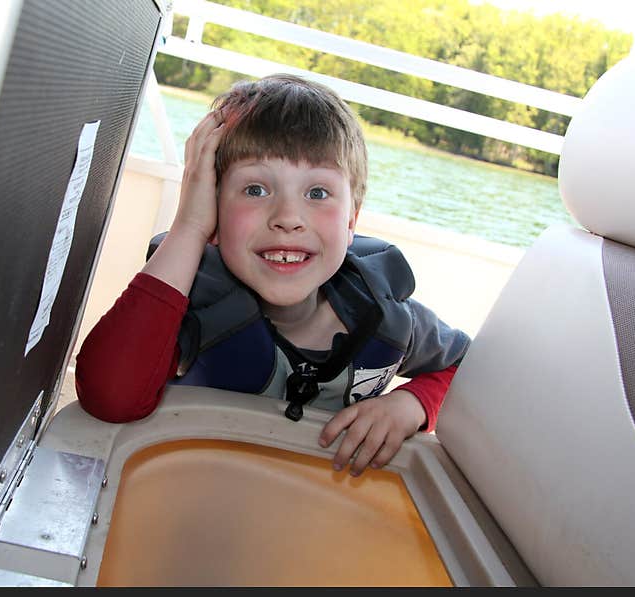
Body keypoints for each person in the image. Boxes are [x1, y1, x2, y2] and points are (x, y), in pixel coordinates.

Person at [76, 74, 470, 475]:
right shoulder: (190, 307)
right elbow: (110, 397)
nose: (288, 218)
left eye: (317, 193)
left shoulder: (385, 316)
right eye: (255, 190)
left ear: (351, 220)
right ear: (213, 211)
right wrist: (190, 227)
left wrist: (411, 404)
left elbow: (469, 369)